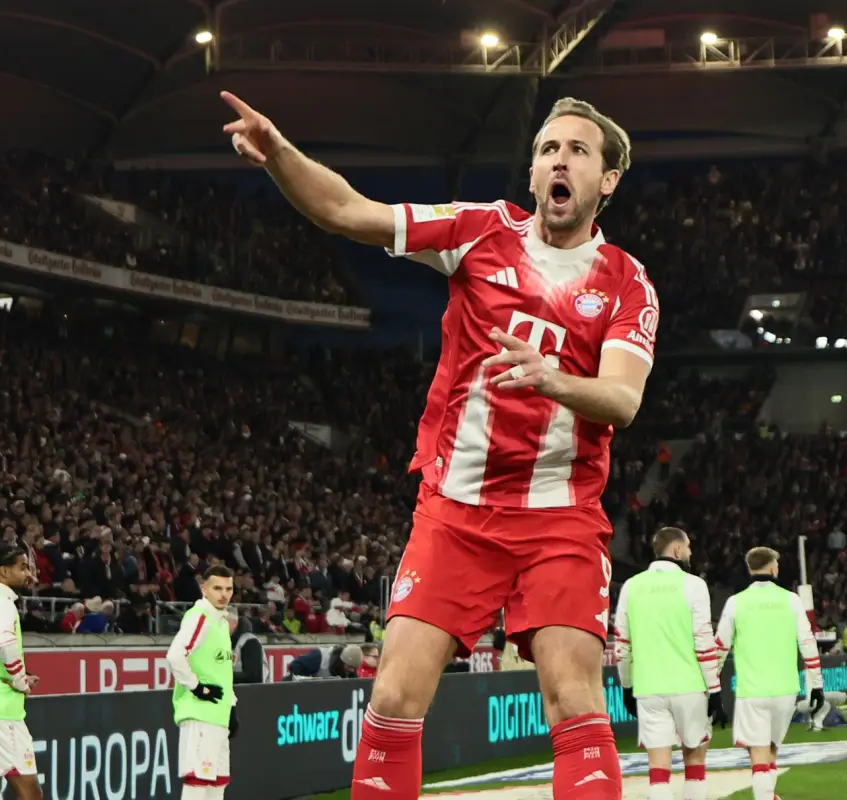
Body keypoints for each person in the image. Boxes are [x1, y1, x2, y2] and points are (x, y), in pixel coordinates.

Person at [222, 88, 657, 800]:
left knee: (574, 698)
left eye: (578, 151)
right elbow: (347, 212)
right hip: (455, 511)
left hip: (560, 517)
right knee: (392, 697)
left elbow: (623, 399)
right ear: (532, 172)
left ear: (606, 180)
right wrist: (280, 156)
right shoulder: (480, 230)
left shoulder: (627, 284)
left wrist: (551, 379)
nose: (559, 159)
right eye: (549, 148)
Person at [614, 527, 724, 800]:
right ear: (676, 550)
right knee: (695, 762)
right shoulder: (694, 585)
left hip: (649, 688)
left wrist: (627, 686)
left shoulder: (631, 586)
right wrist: (715, 689)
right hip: (689, 686)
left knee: (658, 770)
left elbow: (622, 645)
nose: (689, 553)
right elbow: (703, 640)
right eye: (688, 548)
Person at [715, 547, 823, 800]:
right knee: (771, 748)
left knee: (758, 753)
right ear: (774, 568)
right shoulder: (791, 600)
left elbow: (720, 646)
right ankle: (770, 794)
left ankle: (764, 796)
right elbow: (807, 642)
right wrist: (816, 684)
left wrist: (710, 684)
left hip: (752, 691)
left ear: (749, 568)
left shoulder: (736, 602)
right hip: (785, 690)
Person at [167, 565, 238, 799]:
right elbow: (175, 655)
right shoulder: (201, 617)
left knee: (217, 784)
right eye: (217, 588)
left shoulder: (221, 622)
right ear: (204, 589)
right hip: (200, 715)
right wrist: (197, 688)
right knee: (198, 785)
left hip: (218, 715)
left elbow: (222, 670)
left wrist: (232, 706)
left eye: (228, 588)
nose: (224, 594)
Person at [0, 543, 43, 800]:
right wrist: (20, 682)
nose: (29, 574)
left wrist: (20, 676)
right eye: (23, 567)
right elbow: (5, 644)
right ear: (3, 572)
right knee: (30, 792)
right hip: (3, 713)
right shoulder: (1, 604)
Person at [285, 643, 364, 680]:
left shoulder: (350, 669)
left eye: (354, 668)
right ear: (342, 661)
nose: (352, 670)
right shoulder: (319, 657)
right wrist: (310, 682)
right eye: (350, 667)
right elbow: (295, 665)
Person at [230, 611, 266, 685]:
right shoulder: (226, 640)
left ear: (234, 623)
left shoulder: (250, 642)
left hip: (252, 692)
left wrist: (223, 676)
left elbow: (252, 675)